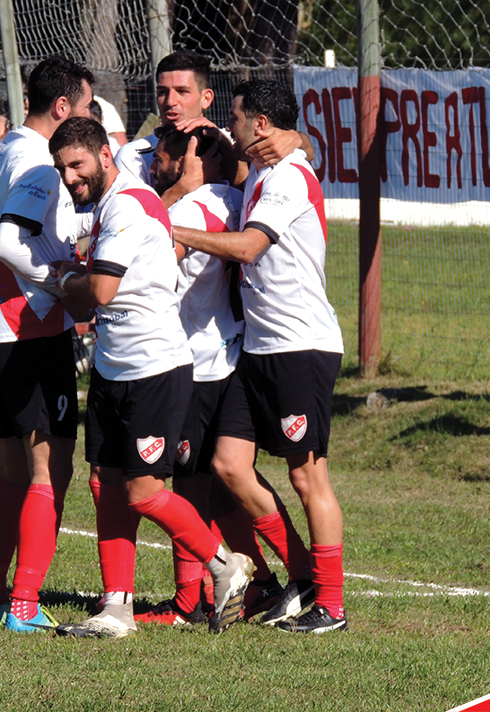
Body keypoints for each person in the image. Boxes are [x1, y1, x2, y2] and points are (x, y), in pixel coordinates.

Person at [50, 117, 254, 637]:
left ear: (102, 156)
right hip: (113, 366)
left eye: (76, 165)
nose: (70, 178)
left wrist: (56, 278)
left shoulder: (128, 204)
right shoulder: (108, 204)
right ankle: (116, 609)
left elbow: (98, 293)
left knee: (143, 491)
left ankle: (224, 565)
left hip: (155, 369)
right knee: (106, 484)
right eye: (61, 169)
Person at [173, 79, 348, 634]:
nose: (233, 126)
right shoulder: (267, 163)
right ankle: (300, 575)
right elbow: (247, 146)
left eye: (239, 118)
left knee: (307, 478)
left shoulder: (291, 175)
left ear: (262, 125)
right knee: (228, 465)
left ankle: (332, 605)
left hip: (301, 346)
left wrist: (168, 228)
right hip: (257, 347)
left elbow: (250, 246)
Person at [132, 124, 286, 628]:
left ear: (190, 158)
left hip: (194, 363)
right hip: (225, 352)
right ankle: (262, 582)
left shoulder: (188, 208)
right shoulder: (232, 199)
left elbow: (150, 271)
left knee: (191, 488)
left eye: (160, 156)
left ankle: (192, 600)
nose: (153, 164)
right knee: (217, 485)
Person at [0, 56, 96, 633]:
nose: (89, 119)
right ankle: (23, 605)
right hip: (28, 328)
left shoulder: (9, 150)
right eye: (87, 108)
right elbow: (8, 245)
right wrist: (62, 283)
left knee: (14, 472)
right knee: (52, 469)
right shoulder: (39, 163)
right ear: (63, 107)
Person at [115, 49, 314, 209]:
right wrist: (181, 188)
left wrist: (299, 139)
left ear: (207, 98)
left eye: (182, 92)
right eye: (162, 92)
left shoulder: (235, 140)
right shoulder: (133, 155)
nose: (170, 101)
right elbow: (127, 226)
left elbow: (250, 196)